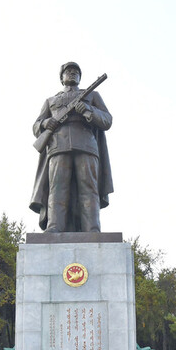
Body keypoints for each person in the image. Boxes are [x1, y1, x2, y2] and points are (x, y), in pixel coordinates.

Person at [29, 61, 113, 233]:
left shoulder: (92, 95)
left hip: (86, 145)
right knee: (57, 188)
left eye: (76, 71)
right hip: (57, 147)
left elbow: (107, 120)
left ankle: (92, 229)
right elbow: (36, 126)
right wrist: (47, 122)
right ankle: (54, 226)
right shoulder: (51, 100)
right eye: (68, 71)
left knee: (88, 188)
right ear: (62, 78)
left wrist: (87, 110)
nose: (72, 73)